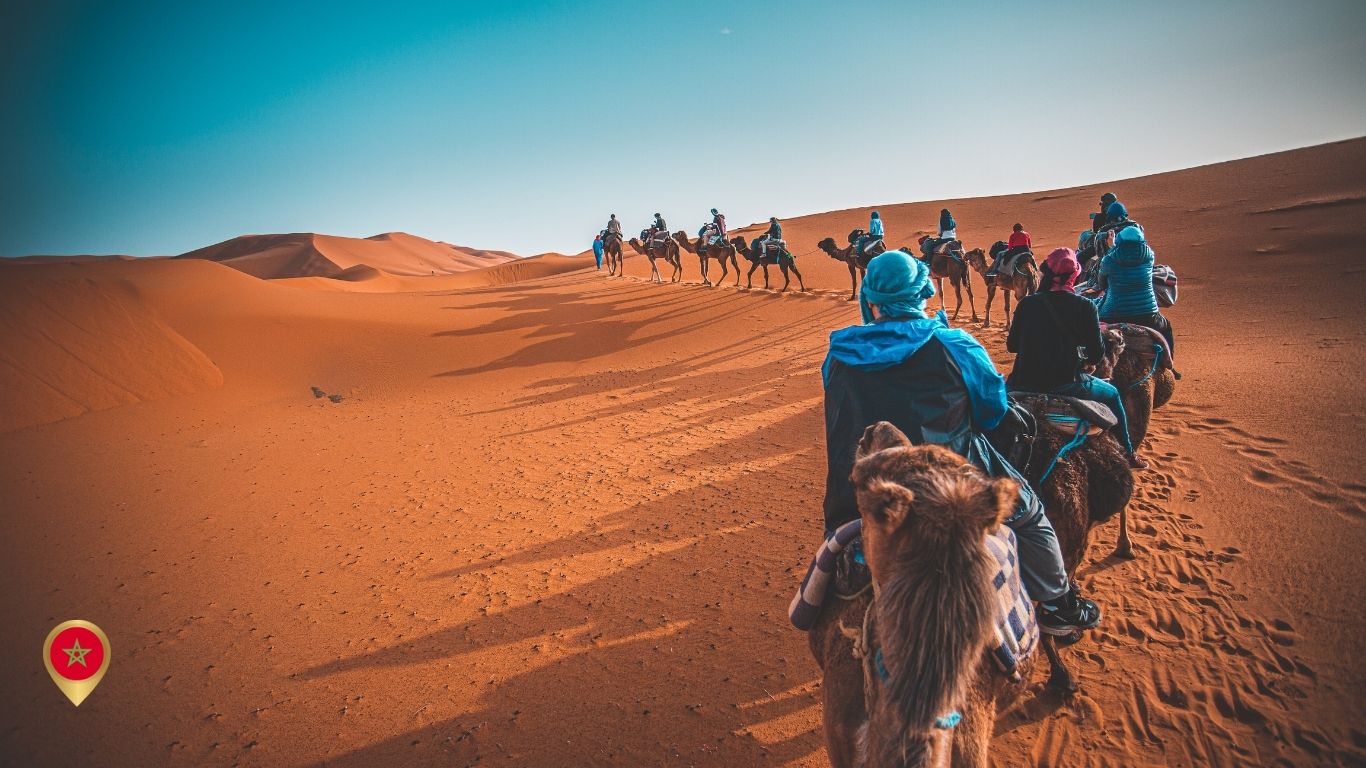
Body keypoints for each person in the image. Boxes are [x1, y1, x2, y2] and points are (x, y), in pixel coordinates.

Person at [821, 250, 1102, 636]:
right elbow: (992, 413)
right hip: (951, 488)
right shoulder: (956, 346)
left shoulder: (837, 354)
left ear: (869, 298)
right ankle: (1058, 605)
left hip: (856, 493)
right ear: (924, 291)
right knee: (1031, 514)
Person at [1006, 248, 1146, 468]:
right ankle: (1128, 453)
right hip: (1067, 384)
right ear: (1075, 276)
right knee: (1112, 394)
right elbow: (1097, 355)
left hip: (1023, 381)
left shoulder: (1027, 304)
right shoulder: (1085, 307)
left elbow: (1012, 346)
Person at [1096, 225, 1175, 354]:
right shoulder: (1149, 256)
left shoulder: (1108, 260)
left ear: (1120, 240)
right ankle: (1170, 363)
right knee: (1166, 327)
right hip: (1148, 313)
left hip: (1113, 313)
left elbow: (1101, 284)